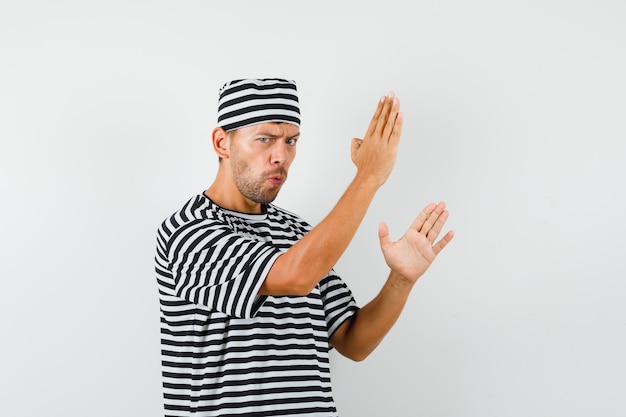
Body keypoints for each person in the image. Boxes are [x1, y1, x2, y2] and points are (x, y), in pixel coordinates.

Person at [154, 78, 454, 416]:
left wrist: (401, 279)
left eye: (291, 141)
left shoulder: (299, 233)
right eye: (265, 139)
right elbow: (295, 277)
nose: (281, 156)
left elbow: (353, 342)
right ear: (222, 143)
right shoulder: (190, 230)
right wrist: (368, 177)